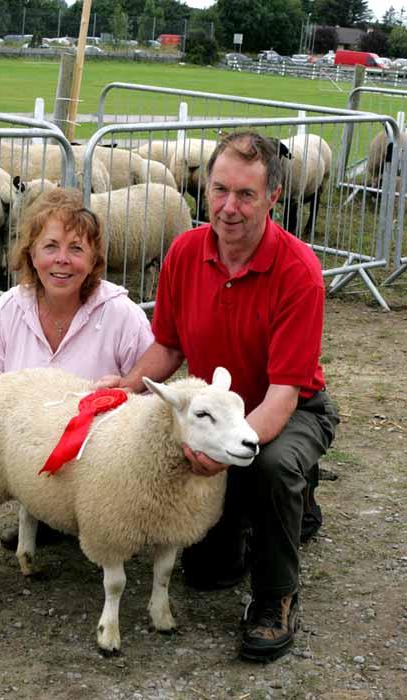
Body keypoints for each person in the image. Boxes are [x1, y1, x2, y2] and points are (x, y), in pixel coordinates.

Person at [97, 131, 339, 663]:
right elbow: (167, 345)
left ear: (274, 196)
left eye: (246, 195)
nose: (230, 207)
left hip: (290, 408)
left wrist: (218, 454)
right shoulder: (185, 251)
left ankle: (276, 596)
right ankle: (277, 511)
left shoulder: (299, 273)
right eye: (220, 190)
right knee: (209, 574)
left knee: (271, 465)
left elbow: (282, 396)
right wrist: (127, 387)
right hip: (216, 411)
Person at [0, 187, 154, 548]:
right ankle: (43, 512)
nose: (62, 260)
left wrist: (127, 386)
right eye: (50, 247)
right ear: (31, 253)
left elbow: (153, 405)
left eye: (76, 249)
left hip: (101, 477)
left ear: (94, 258)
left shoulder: (122, 315)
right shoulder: (8, 310)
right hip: (32, 468)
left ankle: (96, 520)